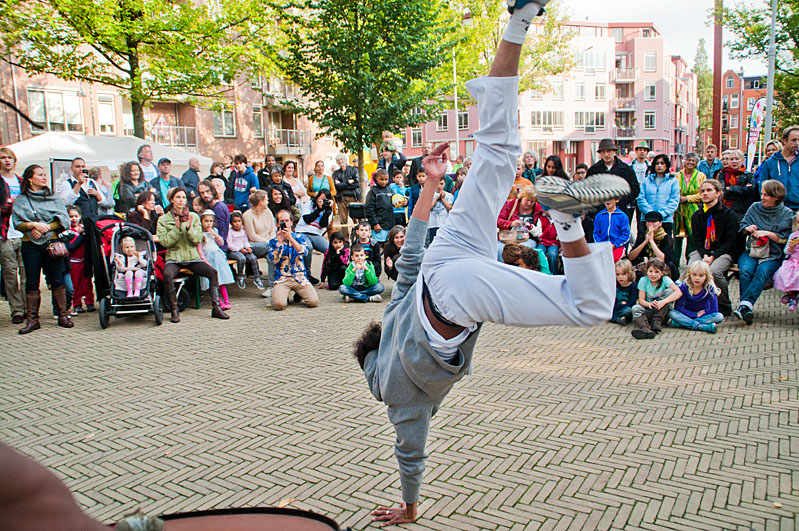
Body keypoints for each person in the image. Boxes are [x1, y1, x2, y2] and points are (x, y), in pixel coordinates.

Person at [358, 8, 623, 523]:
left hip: (455, 295)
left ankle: (566, 221)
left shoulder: (391, 390)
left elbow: (409, 447)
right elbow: (411, 251)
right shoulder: (391, 318)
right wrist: (431, 184)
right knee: (499, 151)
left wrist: (409, 506)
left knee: (591, 307)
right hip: (445, 253)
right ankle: (520, 18)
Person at [12, 164, 73, 333]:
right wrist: (33, 225)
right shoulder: (21, 200)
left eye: (45, 174)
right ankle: (33, 320)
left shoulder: (53, 196)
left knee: (57, 279)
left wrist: (45, 227)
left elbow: (63, 218)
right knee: (32, 281)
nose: (44, 177)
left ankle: (63, 315)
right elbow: (17, 223)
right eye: (40, 174)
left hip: (51, 244)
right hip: (30, 245)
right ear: (30, 179)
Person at [156, 187, 229, 322]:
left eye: (183, 197)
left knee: (212, 272)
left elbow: (197, 239)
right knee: (167, 274)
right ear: (171, 200)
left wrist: (189, 228)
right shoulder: (164, 220)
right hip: (175, 257)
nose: (181, 200)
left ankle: (216, 308)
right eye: (178, 197)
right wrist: (177, 229)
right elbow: (165, 242)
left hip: (192, 257)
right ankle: (174, 310)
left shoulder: (194, 217)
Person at [733, 179, 794, 325]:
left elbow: (786, 239)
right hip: (752, 250)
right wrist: (748, 229)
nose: (762, 197)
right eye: (762, 194)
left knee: (762, 271)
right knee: (746, 270)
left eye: (766, 195)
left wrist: (767, 233)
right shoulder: (755, 207)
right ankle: (746, 307)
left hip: (773, 254)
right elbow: (742, 225)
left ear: (776, 197)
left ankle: (745, 305)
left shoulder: (786, 213)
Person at [688, 179, 739, 316]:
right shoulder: (697, 215)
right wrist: (705, 254)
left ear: (718, 193)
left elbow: (731, 240)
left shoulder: (729, 215)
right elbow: (697, 240)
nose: (705, 193)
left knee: (714, 271)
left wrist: (713, 256)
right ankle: (695, 302)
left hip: (724, 251)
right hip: (704, 251)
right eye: (702, 191)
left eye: (709, 190)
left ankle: (724, 304)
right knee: (692, 268)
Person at [268, 209, 319, 310]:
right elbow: (274, 260)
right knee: (279, 305)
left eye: (287, 221)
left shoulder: (300, 237)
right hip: (282, 278)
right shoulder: (273, 241)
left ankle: (299, 292)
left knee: (313, 302)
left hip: (299, 277)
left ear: (291, 222)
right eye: (282, 221)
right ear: (278, 224)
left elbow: (304, 252)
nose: (285, 224)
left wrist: (291, 238)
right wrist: (280, 243)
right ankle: (282, 293)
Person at [495, 185, 551, 274]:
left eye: (532, 201)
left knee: (525, 252)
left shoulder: (538, 209)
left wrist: (531, 227)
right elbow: (498, 220)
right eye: (527, 200)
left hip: (527, 238)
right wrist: (510, 224)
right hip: (507, 238)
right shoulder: (510, 204)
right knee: (500, 250)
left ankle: (524, 274)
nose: (529, 203)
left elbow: (542, 226)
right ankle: (503, 273)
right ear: (522, 197)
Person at [0, 147, 26, 323]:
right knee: (10, 273)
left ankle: (27, 307)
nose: (7, 161)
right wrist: (11, 205)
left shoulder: (22, 181)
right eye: (3, 157)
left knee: (27, 273)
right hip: (5, 233)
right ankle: (16, 310)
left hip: (24, 232)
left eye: (10, 157)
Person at [587, 138, 639, 222]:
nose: (606, 154)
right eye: (603, 152)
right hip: (599, 213)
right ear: (600, 154)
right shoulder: (594, 170)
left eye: (609, 151)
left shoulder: (626, 169)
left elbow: (635, 189)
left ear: (614, 152)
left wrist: (621, 201)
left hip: (620, 211)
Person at [630, 257, 681, 339]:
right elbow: (641, 300)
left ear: (661, 273)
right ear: (647, 272)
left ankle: (656, 323)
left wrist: (663, 302)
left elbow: (678, 292)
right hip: (649, 309)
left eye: (657, 272)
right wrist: (649, 304)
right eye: (650, 271)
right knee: (635, 308)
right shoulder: (643, 280)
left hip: (662, 311)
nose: (653, 274)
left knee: (669, 291)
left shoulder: (665, 279)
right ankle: (645, 330)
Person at [669, 261, 724, 333]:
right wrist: (694, 314)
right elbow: (678, 307)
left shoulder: (710, 288)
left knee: (719, 316)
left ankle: (683, 323)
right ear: (690, 275)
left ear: (706, 277)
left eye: (701, 276)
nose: (697, 278)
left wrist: (702, 314)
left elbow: (714, 309)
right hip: (687, 314)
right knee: (672, 313)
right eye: (694, 275)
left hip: (703, 315)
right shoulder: (685, 287)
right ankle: (701, 327)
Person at [198, 211, 235, 310]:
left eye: (210, 221)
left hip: (217, 256)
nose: (208, 223)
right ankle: (219, 301)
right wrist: (204, 260)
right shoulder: (199, 233)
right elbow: (199, 249)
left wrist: (216, 235)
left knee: (221, 279)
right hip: (208, 257)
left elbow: (221, 242)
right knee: (213, 281)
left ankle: (226, 300)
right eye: (206, 221)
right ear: (201, 221)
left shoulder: (214, 230)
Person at [296, 189, 334, 285]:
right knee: (308, 248)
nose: (322, 202)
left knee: (330, 249)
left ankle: (329, 274)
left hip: (316, 234)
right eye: (321, 199)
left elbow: (323, 224)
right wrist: (319, 209)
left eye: (325, 200)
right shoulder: (309, 204)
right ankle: (307, 274)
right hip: (302, 232)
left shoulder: (329, 210)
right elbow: (307, 219)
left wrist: (327, 211)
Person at [673, 152, 706, 262]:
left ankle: (690, 262)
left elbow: (702, 194)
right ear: (684, 161)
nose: (690, 162)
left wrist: (686, 198)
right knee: (677, 239)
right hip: (678, 211)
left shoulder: (701, 176)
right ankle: (675, 262)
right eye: (688, 160)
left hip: (693, 210)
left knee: (692, 238)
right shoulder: (677, 175)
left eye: (693, 161)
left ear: (696, 163)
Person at [757, 126, 799, 210]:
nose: (797, 143)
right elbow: (763, 186)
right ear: (784, 140)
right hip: (777, 209)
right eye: (793, 140)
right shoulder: (770, 163)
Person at [243, 190, 276, 296]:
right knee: (272, 248)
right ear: (261, 201)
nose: (268, 202)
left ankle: (272, 286)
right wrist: (269, 242)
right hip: (254, 245)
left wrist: (271, 241)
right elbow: (252, 235)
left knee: (272, 256)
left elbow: (272, 230)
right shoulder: (247, 215)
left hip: (268, 244)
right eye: (267, 199)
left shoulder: (268, 212)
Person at [637, 153, 680, 235]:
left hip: (665, 220)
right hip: (647, 219)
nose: (659, 166)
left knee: (664, 245)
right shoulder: (646, 181)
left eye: (662, 163)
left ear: (666, 165)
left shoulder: (673, 182)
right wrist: (650, 214)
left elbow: (674, 201)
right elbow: (641, 199)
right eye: (657, 163)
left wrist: (660, 215)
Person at [628, 211, 677, 278]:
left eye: (654, 222)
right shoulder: (643, 236)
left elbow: (664, 259)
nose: (651, 224)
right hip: (648, 265)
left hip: (661, 266)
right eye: (648, 222)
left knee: (670, 265)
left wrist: (651, 241)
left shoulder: (666, 238)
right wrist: (645, 242)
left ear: (660, 223)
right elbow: (631, 257)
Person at [59, 158, 106, 222]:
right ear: (71, 168)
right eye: (77, 167)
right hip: (79, 222)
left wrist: (97, 194)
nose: (81, 169)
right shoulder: (67, 183)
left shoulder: (92, 181)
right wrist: (79, 184)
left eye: (83, 166)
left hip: (95, 220)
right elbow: (67, 203)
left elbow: (103, 201)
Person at [715, 149, 757, 221]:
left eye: (737, 159)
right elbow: (723, 192)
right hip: (726, 209)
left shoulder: (748, 175)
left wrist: (730, 188)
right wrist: (741, 190)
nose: (734, 161)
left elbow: (749, 191)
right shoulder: (722, 174)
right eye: (731, 159)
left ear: (742, 160)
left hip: (743, 211)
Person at [65, 205, 93, 313]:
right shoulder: (68, 231)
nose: (74, 218)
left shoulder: (84, 228)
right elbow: (71, 246)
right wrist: (81, 234)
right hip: (74, 262)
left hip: (84, 261)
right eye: (71, 216)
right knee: (75, 284)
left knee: (87, 282)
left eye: (76, 216)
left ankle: (89, 302)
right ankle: (76, 304)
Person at [227, 211, 264, 290]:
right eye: (235, 222)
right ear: (231, 223)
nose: (237, 224)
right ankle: (240, 277)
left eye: (239, 221)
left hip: (243, 249)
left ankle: (257, 278)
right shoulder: (230, 231)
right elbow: (229, 244)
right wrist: (239, 250)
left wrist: (248, 247)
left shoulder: (243, 230)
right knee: (241, 259)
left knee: (253, 258)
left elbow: (245, 241)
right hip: (234, 251)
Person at [773, 212, 799, 311]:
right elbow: (786, 251)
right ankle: (792, 295)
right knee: (783, 274)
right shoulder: (793, 235)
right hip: (793, 261)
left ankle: (794, 296)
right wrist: (791, 248)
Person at [197, 179, 229, 255]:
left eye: (207, 191)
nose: (205, 195)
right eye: (202, 193)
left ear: (213, 191)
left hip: (218, 249)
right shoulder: (208, 206)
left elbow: (221, 233)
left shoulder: (219, 208)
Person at [332, 154, 361, 238]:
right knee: (343, 220)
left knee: (356, 219)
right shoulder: (336, 173)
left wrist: (342, 184)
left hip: (353, 196)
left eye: (341, 159)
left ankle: (357, 237)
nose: (340, 162)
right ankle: (345, 241)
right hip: (341, 198)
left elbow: (356, 183)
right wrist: (348, 182)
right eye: (338, 160)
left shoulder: (353, 170)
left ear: (345, 160)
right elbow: (336, 186)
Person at [592, 198, 630, 262]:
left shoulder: (623, 216)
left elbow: (626, 235)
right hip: (602, 247)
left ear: (617, 199)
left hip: (617, 247)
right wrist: (601, 245)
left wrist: (614, 245)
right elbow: (596, 233)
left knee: (613, 259)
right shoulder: (599, 216)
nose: (607, 201)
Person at [365, 168, 394, 244]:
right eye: (381, 179)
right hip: (379, 224)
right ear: (376, 179)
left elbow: (395, 202)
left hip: (390, 223)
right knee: (378, 244)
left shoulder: (390, 190)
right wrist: (375, 223)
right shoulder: (373, 192)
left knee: (389, 244)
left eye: (386, 179)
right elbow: (369, 208)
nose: (384, 182)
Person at [426, 176, 453, 247]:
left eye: (441, 184)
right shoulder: (430, 194)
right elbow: (428, 207)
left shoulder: (449, 195)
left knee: (444, 244)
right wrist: (436, 199)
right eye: (437, 184)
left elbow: (450, 208)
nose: (439, 186)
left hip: (444, 224)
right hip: (433, 224)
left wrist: (443, 199)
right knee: (432, 244)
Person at [612, 258, 637, 325]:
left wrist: (619, 305)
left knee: (628, 311)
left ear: (629, 274)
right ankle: (618, 319)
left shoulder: (633, 286)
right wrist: (620, 304)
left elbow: (632, 303)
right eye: (618, 274)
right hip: (614, 307)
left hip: (625, 308)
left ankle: (617, 318)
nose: (620, 277)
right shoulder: (614, 284)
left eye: (623, 274)